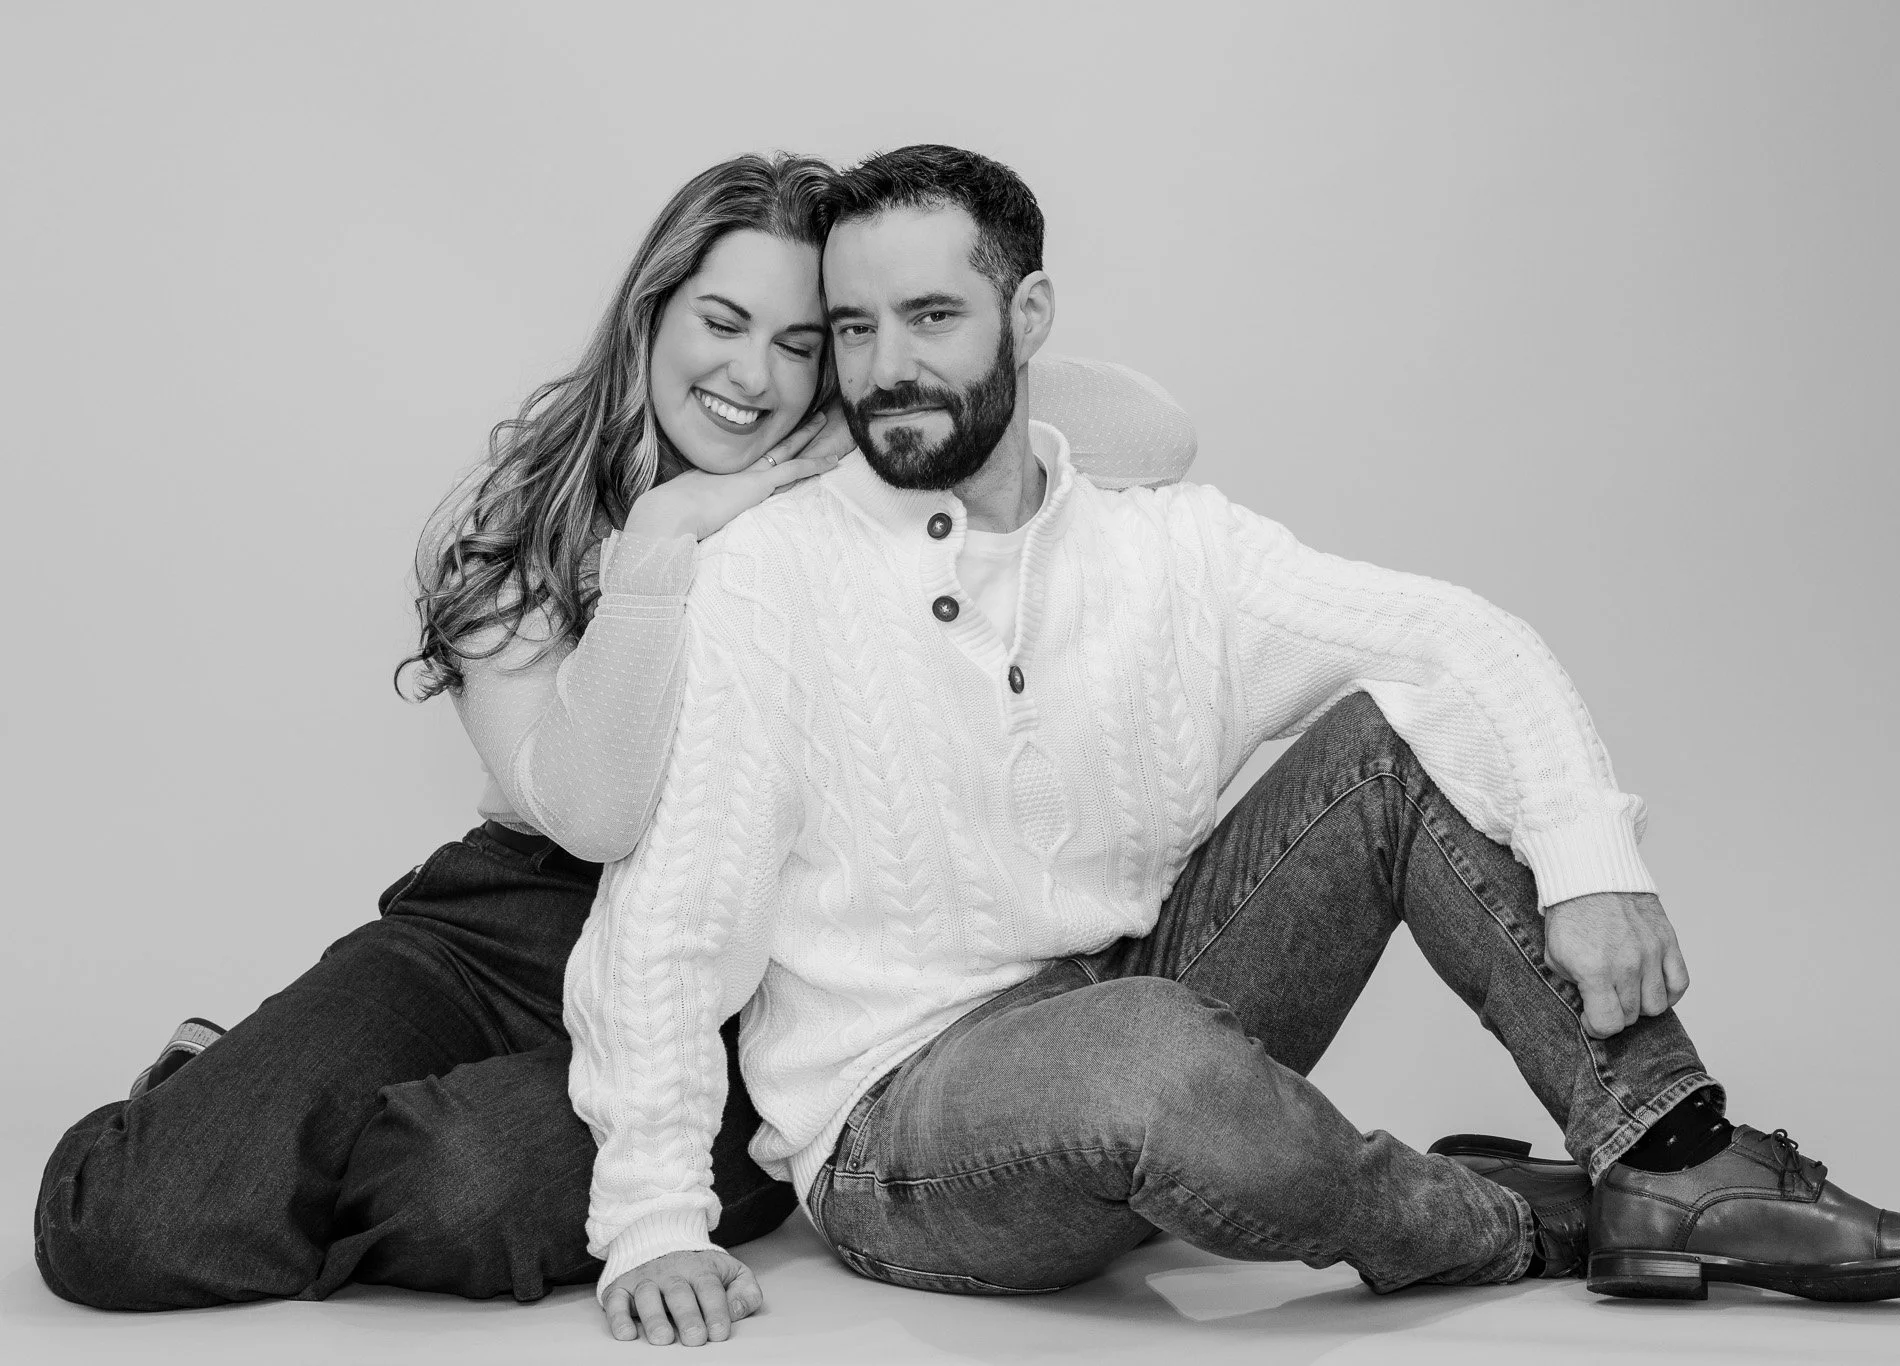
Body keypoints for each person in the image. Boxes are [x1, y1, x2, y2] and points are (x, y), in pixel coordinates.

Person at [570, 144, 1900, 1348]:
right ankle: (1513, 1218)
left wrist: (1588, 855)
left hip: (1139, 996)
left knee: (1392, 737)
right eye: (856, 330)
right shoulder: (774, 569)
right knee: (1142, 1050)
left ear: (1028, 317)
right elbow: (674, 906)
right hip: (907, 1126)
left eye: (933, 318)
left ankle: (1675, 1154)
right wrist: (648, 1220)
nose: (886, 370)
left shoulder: (1166, 545)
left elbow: (1456, 637)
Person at [31, 151, 1199, 1312]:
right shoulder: (525, 516)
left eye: (803, 344)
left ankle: (293, 1137)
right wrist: (662, 539)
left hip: (743, 978)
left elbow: (1155, 438)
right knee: (122, 1225)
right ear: (651, 316)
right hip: (506, 927)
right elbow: (593, 812)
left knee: (467, 1184)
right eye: (723, 322)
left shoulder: (868, 473)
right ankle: (209, 1103)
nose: (754, 375)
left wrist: (855, 417)